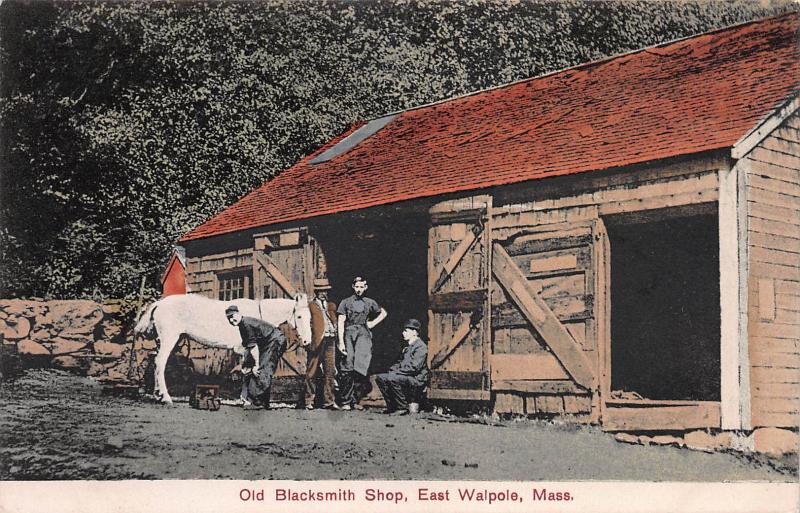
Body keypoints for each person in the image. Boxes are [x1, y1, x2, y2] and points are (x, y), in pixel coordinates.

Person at [337, 276, 387, 410]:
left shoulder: (370, 302)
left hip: (363, 334)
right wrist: (341, 342)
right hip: (349, 333)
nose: (359, 290)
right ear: (353, 287)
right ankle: (346, 401)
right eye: (357, 287)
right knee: (348, 365)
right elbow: (340, 322)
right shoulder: (345, 302)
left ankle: (355, 400)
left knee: (361, 365)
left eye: (361, 287)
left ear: (366, 287)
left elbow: (383, 313)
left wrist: (371, 323)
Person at [225, 304, 287, 409]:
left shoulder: (246, 324)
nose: (231, 320)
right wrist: (244, 363)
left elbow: (253, 348)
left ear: (238, 314)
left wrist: (256, 364)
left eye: (233, 316)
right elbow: (247, 348)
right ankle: (263, 402)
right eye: (229, 318)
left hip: (275, 341)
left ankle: (257, 401)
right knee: (261, 369)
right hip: (269, 343)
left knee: (261, 370)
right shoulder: (242, 326)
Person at [375, 319, 429, 415]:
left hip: (416, 379)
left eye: (406, 331)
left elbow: (414, 368)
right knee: (381, 377)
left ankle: (402, 407)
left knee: (392, 378)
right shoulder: (407, 347)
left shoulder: (421, 347)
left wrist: (396, 372)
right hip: (405, 375)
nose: (403, 333)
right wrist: (392, 369)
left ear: (414, 332)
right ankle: (392, 406)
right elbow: (399, 363)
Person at [305, 278, 339, 410]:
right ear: (316, 292)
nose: (323, 293)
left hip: (330, 340)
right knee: (311, 372)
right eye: (320, 291)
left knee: (330, 372)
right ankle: (309, 401)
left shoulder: (331, 306)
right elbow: (306, 324)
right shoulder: (310, 306)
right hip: (317, 341)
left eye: (325, 291)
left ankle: (329, 401)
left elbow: (335, 321)